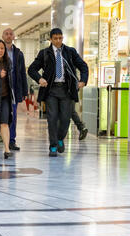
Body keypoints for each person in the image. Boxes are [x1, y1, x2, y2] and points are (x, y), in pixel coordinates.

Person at [28, 28, 89, 157]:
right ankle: (53, 145)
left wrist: (83, 80)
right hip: (51, 90)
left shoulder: (70, 52)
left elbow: (83, 66)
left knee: (66, 118)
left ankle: (60, 138)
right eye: (55, 38)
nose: (58, 41)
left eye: (60, 38)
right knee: (52, 118)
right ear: (50, 39)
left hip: (67, 90)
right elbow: (32, 69)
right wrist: (40, 78)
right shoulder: (44, 53)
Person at [0, 28, 28, 151]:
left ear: (14, 37)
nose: (9, 36)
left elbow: (22, 73)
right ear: (2, 36)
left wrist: (24, 91)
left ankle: (11, 140)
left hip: (13, 89)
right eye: (6, 34)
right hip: (0, 89)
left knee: (13, 116)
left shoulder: (18, 54)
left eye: (11, 34)